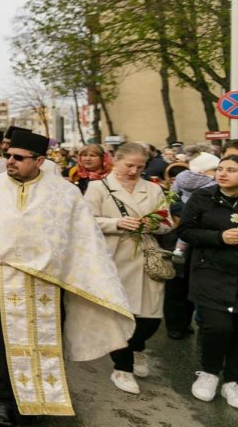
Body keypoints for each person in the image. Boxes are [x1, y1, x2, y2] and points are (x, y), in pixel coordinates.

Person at [0, 130, 133, 427]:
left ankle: (38, 400)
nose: (10, 162)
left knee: (45, 341)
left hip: (48, 280)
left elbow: (82, 237)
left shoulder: (64, 193)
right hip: (2, 275)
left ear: (39, 160)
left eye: (18, 157)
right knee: (1, 343)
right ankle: (2, 402)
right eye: (7, 156)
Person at [83, 142, 173, 394]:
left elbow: (167, 222)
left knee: (151, 317)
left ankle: (136, 348)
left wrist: (153, 224)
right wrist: (117, 222)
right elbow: (85, 220)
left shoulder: (152, 189)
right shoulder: (98, 187)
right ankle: (122, 368)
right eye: (129, 165)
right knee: (119, 316)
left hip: (147, 258)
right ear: (115, 161)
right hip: (115, 256)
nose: (134, 171)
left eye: (140, 166)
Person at [175, 154, 238, 407]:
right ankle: (209, 372)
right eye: (220, 169)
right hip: (209, 271)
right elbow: (185, 230)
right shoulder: (204, 197)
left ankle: (232, 381)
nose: (222, 174)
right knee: (218, 326)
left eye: (231, 170)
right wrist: (219, 238)